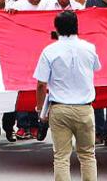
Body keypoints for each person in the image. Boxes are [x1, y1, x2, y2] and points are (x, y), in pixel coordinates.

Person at [34, 11, 101, 181]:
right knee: (87, 155)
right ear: (77, 26)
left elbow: (41, 84)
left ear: (56, 28)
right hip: (84, 108)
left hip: (59, 108)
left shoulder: (49, 51)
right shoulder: (89, 48)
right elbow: (96, 68)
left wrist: (40, 110)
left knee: (61, 157)